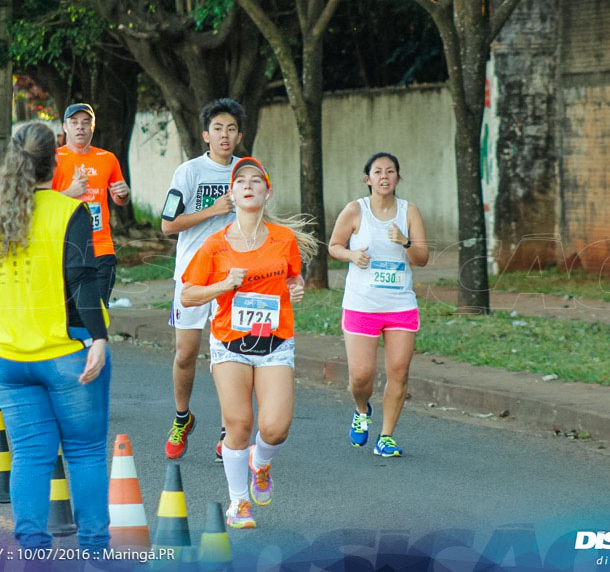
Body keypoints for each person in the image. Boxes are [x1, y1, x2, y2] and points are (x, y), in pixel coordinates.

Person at [0, 121, 111, 553]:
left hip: (5, 358)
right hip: (66, 353)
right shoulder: (70, 212)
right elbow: (84, 283)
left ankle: (32, 548)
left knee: (30, 455)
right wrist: (100, 339)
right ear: (58, 159)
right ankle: (94, 548)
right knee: (84, 453)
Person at [180, 157, 317, 529]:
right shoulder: (215, 245)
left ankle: (261, 461)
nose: (249, 185)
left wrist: (296, 287)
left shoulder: (283, 239)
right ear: (233, 193)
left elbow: (293, 278)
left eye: (257, 180)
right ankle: (238, 503)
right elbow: (188, 295)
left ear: (267, 192)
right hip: (230, 342)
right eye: (241, 180)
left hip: (274, 342)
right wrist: (223, 286)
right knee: (239, 423)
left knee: (275, 428)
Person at [328, 152, 429, 457]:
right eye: (378, 172)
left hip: (400, 304)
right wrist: (351, 255)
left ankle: (386, 436)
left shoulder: (409, 212)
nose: (384, 176)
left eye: (390, 171)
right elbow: (334, 246)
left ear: (398, 177)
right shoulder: (355, 210)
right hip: (362, 305)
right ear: (367, 179)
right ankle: (362, 410)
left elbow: (422, 259)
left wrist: (405, 242)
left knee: (399, 371)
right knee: (361, 376)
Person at [160, 98, 244, 461]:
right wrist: (213, 210)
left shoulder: (249, 171)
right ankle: (183, 417)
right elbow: (167, 225)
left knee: (231, 355)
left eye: (231, 129)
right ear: (205, 135)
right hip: (193, 276)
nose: (224, 136)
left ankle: (231, 428)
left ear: (239, 136)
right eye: (218, 129)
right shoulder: (189, 172)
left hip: (236, 277)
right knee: (186, 354)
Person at [52, 103, 131, 306]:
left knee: (98, 311)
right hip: (67, 249)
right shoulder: (53, 159)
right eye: (74, 122)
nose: (80, 127)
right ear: (65, 127)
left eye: (86, 123)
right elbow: (42, 204)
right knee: (70, 316)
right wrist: (70, 193)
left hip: (101, 249)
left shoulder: (108, 159)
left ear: (92, 127)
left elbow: (119, 200)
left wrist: (123, 194)